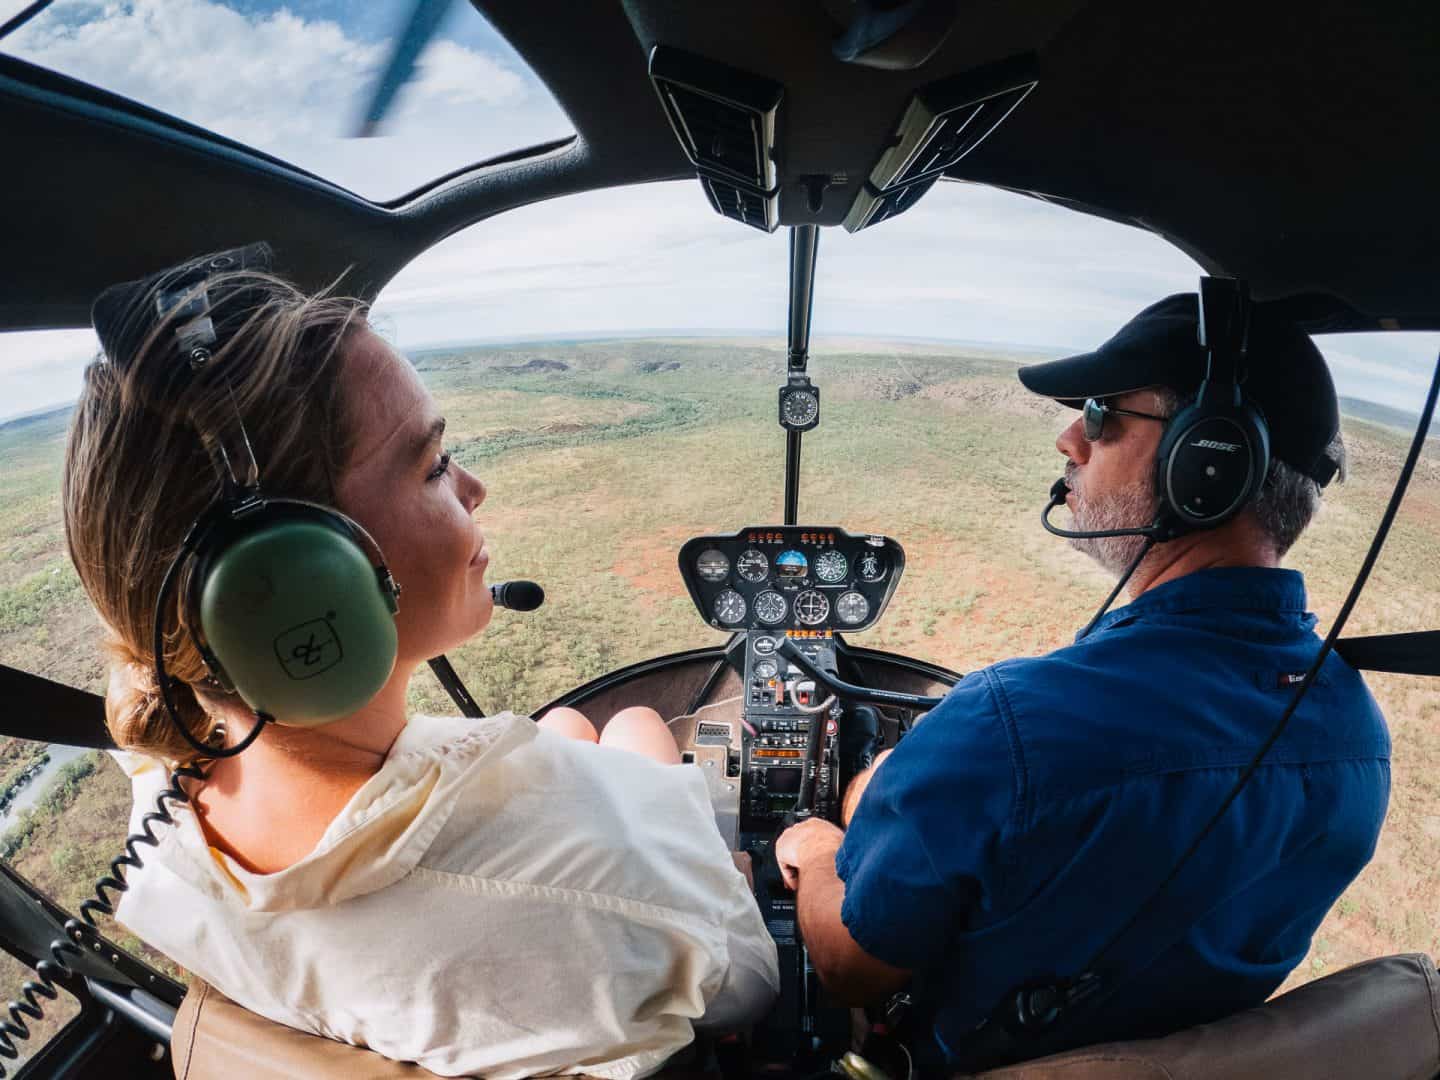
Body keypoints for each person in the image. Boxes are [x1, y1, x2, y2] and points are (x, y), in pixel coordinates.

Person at [65, 248, 778, 1079]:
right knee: (636, 726)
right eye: (435, 464)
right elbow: (753, 984)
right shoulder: (610, 872)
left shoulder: (155, 840)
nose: (474, 489)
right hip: (601, 879)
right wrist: (730, 868)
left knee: (568, 727)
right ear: (300, 581)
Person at [774, 293, 1390, 1065]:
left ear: (1208, 465)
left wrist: (821, 849)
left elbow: (849, 968)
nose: (1070, 436)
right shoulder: (1359, 739)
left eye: (1102, 415)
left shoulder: (1009, 729)